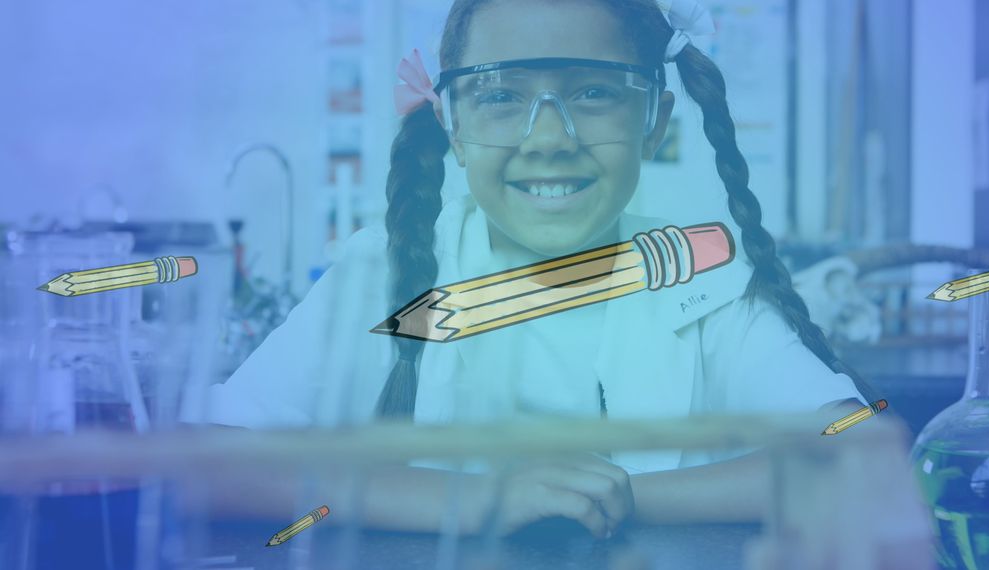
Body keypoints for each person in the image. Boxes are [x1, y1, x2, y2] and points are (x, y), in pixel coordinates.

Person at [193, 0, 883, 541]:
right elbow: (206, 464)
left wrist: (615, 496)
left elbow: (861, 452)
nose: (549, 139)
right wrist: (466, 499)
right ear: (453, 125)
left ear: (654, 120)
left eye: (594, 93)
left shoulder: (701, 278)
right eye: (500, 95)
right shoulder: (382, 273)